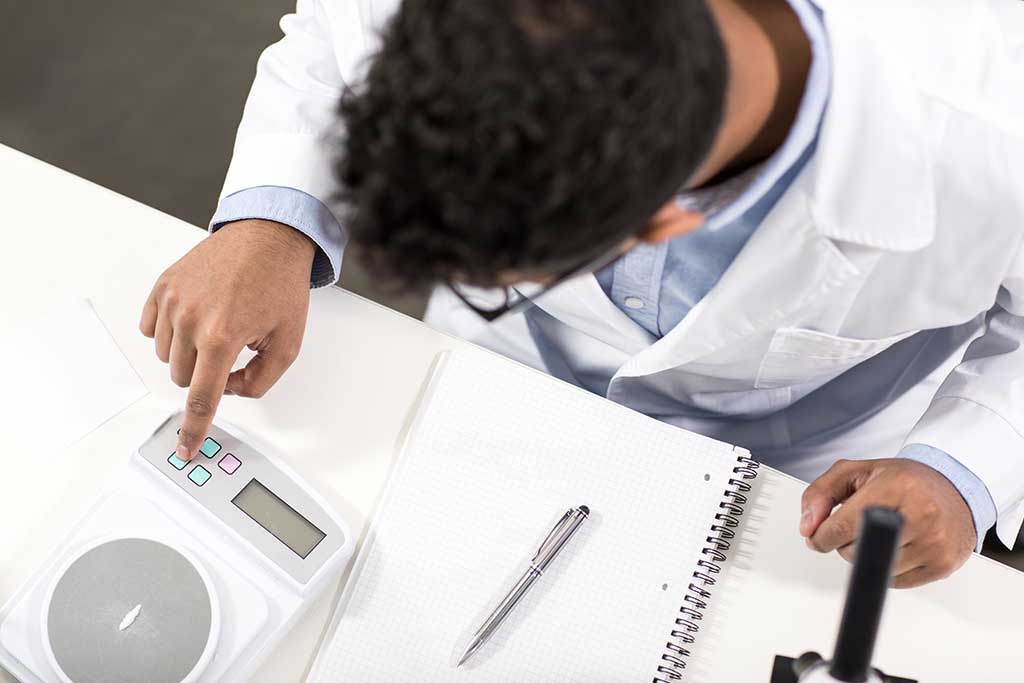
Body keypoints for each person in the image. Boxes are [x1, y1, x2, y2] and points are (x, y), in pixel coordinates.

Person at [140, 0, 1024, 588]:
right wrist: (273, 220)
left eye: (502, 277)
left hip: (803, 467)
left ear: (670, 223)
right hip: (499, 380)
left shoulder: (993, 135)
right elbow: (337, 37)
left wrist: (962, 471)